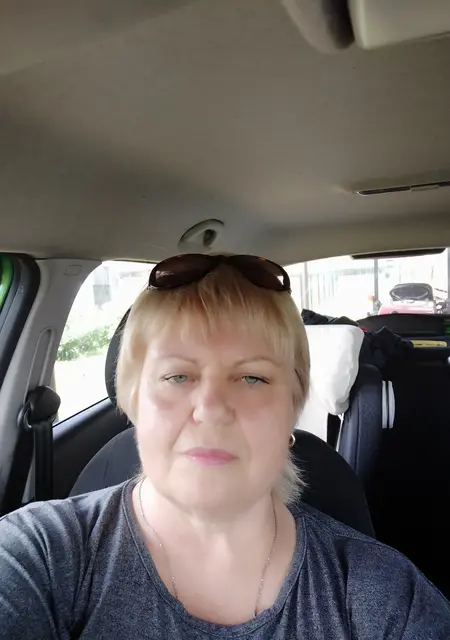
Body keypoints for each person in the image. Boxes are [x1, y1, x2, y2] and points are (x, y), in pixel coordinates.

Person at [0, 253, 449, 639]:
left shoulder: (383, 598)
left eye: (252, 378)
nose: (211, 409)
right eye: (178, 376)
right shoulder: (42, 556)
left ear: (292, 409)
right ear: (134, 401)